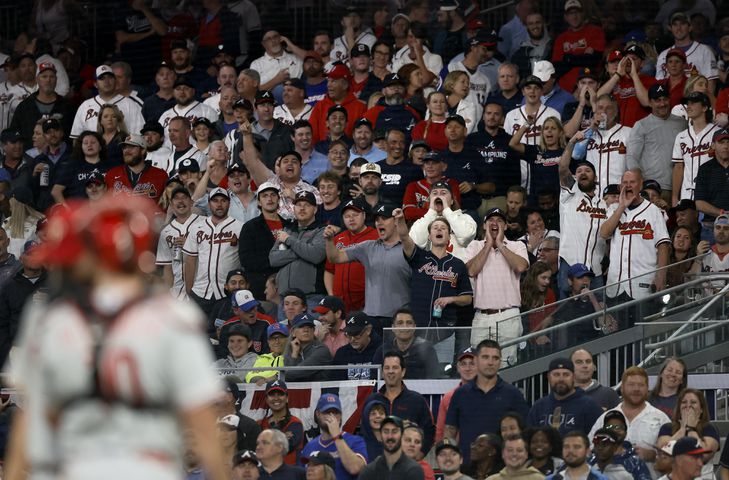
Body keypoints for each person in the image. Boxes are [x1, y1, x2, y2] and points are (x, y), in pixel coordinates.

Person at [6, 196, 228, 480]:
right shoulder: (173, 315)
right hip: (148, 468)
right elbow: (202, 421)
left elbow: (31, 421)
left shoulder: (51, 317)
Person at [395, 208, 472, 357]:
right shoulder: (419, 257)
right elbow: (405, 237)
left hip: (445, 331)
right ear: (429, 236)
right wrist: (400, 220)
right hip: (418, 332)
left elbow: (467, 298)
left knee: (441, 375)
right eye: (435, 228)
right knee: (415, 371)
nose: (439, 230)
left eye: (443, 228)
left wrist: (451, 299)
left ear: (449, 237)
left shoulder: (457, 264)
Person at [324, 203, 411, 333]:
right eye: (377, 220)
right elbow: (335, 258)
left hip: (399, 318)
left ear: (395, 222)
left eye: (384, 219)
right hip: (371, 317)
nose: (379, 223)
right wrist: (330, 241)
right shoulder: (367, 247)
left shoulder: (409, 249)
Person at [445, 340, 530, 464]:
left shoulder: (513, 394)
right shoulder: (460, 394)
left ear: (500, 362)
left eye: (495, 358)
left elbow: (525, 431)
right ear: (477, 360)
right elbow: (450, 430)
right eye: (485, 357)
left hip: (502, 467)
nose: (490, 362)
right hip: (467, 467)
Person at [463, 208, 529, 365]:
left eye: (499, 221)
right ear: (484, 226)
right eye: (491, 220)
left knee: (507, 367)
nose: (495, 223)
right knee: (479, 367)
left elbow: (520, 267)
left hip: (508, 316)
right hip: (481, 317)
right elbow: (471, 271)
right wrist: (488, 245)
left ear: (505, 226)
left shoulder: (517, 245)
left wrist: (499, 244)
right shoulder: (474, 246)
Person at [599, 170, 670, 311]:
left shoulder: (653, 210)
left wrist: (661, 275)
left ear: (640, 185)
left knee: (643, 330)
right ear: (620, 187)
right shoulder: (614, 209)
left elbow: (663, 245)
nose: (629, 185)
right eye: (625, 183)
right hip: (616, 284)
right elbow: (604, 233)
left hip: (644, 284)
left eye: (632, 182)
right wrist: (621, 206)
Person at [588, 368, 671, 474]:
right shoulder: (606, 418)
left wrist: (652, 455)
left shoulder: (661, 418)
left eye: (641, 385)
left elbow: (672, 457)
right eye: (631, 384)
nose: (636, 389)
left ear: (647, 388)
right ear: (622, 388)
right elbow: (589, 450)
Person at [183, 187, 244, 316]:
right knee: (198, 333)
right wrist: (189, 290)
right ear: (209, 203)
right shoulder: (197, 228)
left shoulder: (240, 227)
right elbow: (190, 260)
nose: (219, 204)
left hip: (228, 292)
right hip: (200, 291)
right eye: (215, 200)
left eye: (223, 200)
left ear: (229, 203)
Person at [626, 84, 686, 200]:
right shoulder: (641, 125)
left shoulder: (682, 123)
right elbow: (632, 157)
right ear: (650, 102)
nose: (662, 104)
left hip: (679, 188)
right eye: (657, 100)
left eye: (665, 99)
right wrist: (639, 184)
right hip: (651, 189)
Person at [269, 190, 326, 307]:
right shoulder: (287, 230)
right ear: (294, 209)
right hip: (285, 298)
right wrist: (304, 249)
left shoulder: (322, 230)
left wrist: (290, 241)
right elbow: (273, 259)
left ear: (315, 209)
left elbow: (316, 256)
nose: (302, 208)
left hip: (310, 297)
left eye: (307, 205)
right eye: (299, 205)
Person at [323, 197, 378, 313]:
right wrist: (331, 294)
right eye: (347, 216)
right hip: (341, 304)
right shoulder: (337, 238)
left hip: (368, 302)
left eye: (355, 215)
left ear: (364, 215)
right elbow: (329, 270)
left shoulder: (376, 237)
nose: (351, 219)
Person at [238, 182, 291, 299]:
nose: (270, 199)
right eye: (265, 196)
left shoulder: (291, 225)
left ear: (278, 199)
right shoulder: (250, 227)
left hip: (289, 285)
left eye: (273, 195)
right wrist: (275, 263)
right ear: (258, 202)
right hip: (261, 288)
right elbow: (246, 260)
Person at [527, 358, 603, 435]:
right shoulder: (538, 407)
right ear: (549, 377)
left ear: (573, 377)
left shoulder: (589, 406)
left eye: (566, 375)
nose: (561, 379)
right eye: (556, 375)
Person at [0, 239, 46, 365]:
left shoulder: (53, 283)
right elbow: (2, 323)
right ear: (21, 258)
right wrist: (6, 351)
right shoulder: (9, 286)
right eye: (30, 254)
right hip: (17, 348)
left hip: (46, 348)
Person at [301, 393, 368, 480]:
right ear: (318, 414)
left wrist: (336, 436)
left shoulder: (356, 441)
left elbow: (355, 468)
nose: (331, 417)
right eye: (327, 412)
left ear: (341, 416)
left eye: (335, 413)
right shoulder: (310, 447)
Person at [656, 389, 719, 478]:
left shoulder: (709, 428)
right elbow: (663, 454)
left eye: (693, 402)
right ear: (679, 408)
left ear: (701, 409)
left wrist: (691, 429)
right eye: (684, 402)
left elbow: (704, 454)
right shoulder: (667, 428)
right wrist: (682, 429)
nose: (688, 406)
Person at [156, 186, 204, 299]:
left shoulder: (204, 223)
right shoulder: (166, 231)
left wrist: (189, 245)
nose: (181, 201)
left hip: (202, 288)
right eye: (176, 198)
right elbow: (167, 266)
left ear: (191, 202)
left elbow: (212, 255)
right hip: (177, 292)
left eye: (184, 197)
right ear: (171, 205)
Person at [671, 91, 719, 205]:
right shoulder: (681, 136)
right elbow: (678, 167)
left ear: (704, 107)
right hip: (687, 193)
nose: (689, 106)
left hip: (711, 191)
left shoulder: (717, 133)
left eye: (693, 103)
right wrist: (674, 197)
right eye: (688, 103)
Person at [70, 65, 144, 138]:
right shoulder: (85, 106)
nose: (107, 81)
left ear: (115, 81)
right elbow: (76, 138)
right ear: (95, 84)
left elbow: (139, 135)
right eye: (102, 78)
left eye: (110, 77)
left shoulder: (130, 104)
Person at [656, 12, 718, 93]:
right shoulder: (663, 55)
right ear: (670, 28)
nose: (678, 28)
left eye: (683, 24)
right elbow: (659, 84)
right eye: (675, 24)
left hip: (695, 100)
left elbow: (711, 83)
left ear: (690, 27)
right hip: (670, 100)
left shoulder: (705, 51)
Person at [373, 307, 439, 380]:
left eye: (409, 323)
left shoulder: (427, 349)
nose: (404, 327)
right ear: (392, 328)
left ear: (414, 327)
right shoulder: (383, 350)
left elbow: (434, 379)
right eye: (400, 323)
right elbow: (375, 379)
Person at [104, 134, 168, 201]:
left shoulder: (160, 176)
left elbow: (166, 205)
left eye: (131, 147)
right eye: (124, 147)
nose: (126, 151)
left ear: (143, 150)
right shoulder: (111, 175)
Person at [695, 129, 729, 240]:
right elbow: (699, 203)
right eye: (721, 142)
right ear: (713, 145)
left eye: (728, 142)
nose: (726, 146)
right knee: (708, 257)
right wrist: (722, 213)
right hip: (711, 226)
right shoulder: (705, 169)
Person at [283, 313, 332, 382]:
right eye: (301, 326)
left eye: (309, 327)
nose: (306, 330)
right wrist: (294, 354)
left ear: (314, 330)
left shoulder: (321, 350)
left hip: (319, 391)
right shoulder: (291, 349)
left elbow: (290, 375)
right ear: (293, 332)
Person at [331, 311, 379, 380]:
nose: (353, 339)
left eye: (357, 334)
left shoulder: (380, 351)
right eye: (349, 334)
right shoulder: (341, 353)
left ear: (368, 330)